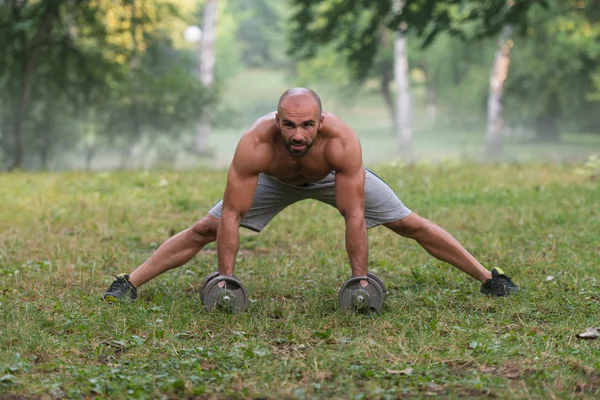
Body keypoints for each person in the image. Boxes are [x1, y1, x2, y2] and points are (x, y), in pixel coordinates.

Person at [103, 88, 519, 302]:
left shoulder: (342, 142)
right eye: (289, 125)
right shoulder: (255, 145)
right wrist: (225, 280)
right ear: (278, 120)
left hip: (330, 175)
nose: (297, 134)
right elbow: (231, 216)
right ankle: (129, 283)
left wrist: (361, 279)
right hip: (274, 178)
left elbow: (353, 214)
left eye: (306, 125)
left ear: (321, 121)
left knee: (406, 222)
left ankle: (490, 279)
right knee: (204, 227)